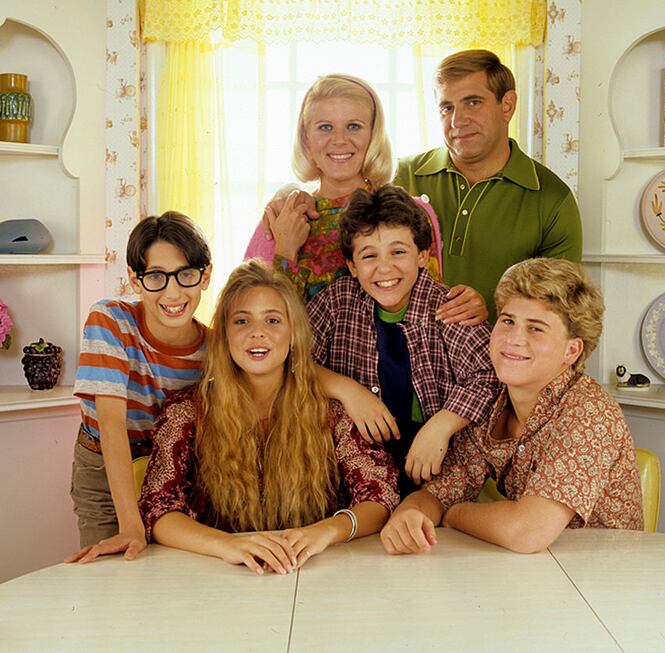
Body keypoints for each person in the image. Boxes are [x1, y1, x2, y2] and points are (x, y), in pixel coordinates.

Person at [138, 260, 399, 573]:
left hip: (317, 576)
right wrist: (225, 545)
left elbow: (379, 496)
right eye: (242, 321)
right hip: (219, 580)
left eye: (273, 320)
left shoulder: (333, 413)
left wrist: (326, 532)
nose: (257, 333)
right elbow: (159, 509)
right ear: (223, 336)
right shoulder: (187, 413)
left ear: (293, 335)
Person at [380, 258, 643, 556]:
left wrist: (454, 515)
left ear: (571, 350)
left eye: (536, 329)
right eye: (507, 321)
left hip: (603, 583)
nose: (513, 338)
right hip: (531, 575)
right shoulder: (492, 405)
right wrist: (411, 514)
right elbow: (440, 493)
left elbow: (527, 532)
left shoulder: (589, 412)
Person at [246, 73, 487, 326]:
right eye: (325, 127)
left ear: (374, 135)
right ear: (306, 138)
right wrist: (285, 251)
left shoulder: (410, 213)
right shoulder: (282, 217)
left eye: (354, 126)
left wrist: (468, 307)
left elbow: (432, 315)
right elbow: (253, 322)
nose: (339, 140)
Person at [307, 185, 499, 496]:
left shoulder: (449, 307)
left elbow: (489, 377)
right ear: (353, 267)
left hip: (435, 461)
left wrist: (441, 425)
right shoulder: (335, 302)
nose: (385, 268)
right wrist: (347, 390)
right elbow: (291, 360)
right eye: (369, 256)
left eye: (398, 252)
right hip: (352, 463)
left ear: (422, 255)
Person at [66, 211, 212, 563]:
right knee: (112, 570)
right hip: (105, 463)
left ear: (205, 276)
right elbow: (112, 425)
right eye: (156, 277)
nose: (173, 292)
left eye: (186, 275)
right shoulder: (110, 321)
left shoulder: (214, 349)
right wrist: (130, 525)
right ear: (134, 279)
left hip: (173, 472)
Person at [395, 49, 582, 320]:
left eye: (473, 102)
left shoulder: (552, 199)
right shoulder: (404, 176)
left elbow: (559, 312)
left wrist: (494, 314)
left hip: (498, 358)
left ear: (507, 105)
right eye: (447, 108)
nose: (457, 121)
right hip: (401, 356)